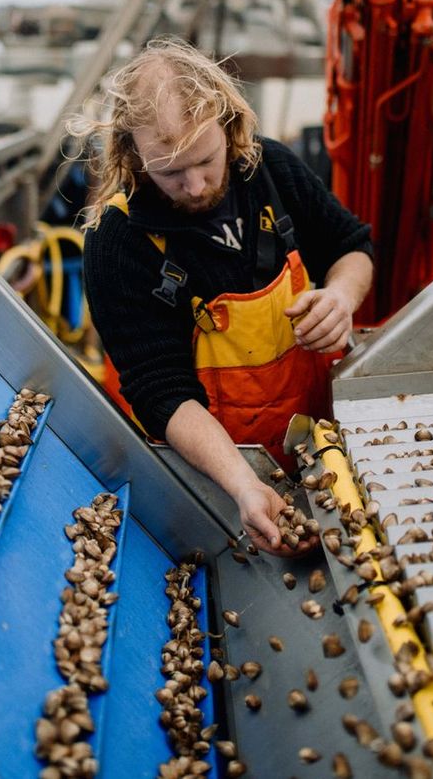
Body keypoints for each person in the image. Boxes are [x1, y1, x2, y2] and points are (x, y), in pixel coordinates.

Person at [74, 38, 373, 556]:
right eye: (169, 171)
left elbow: (353, 247)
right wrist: (243, 485)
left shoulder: (272, 171)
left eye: (205, 160)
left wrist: (341, 297)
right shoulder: (116, 244)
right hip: (217, 477)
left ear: (228, 125)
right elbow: (159, 391)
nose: (193, 185)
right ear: (132, 153)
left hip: (323, 446)